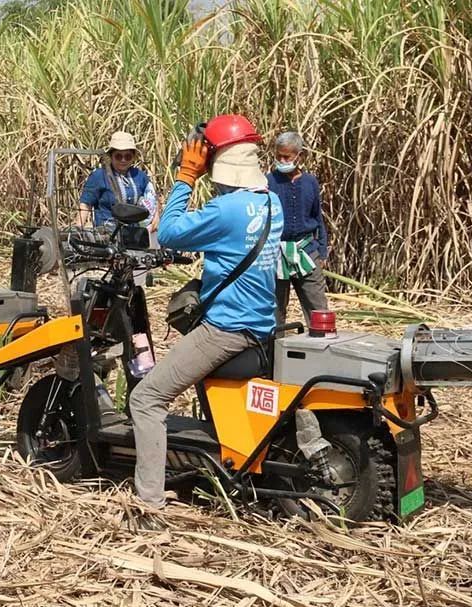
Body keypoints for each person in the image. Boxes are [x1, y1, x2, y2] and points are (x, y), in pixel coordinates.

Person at [127, 115, 283, 519]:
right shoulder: (272, 202)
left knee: (146, 398)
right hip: (262, 323)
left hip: (227, 329)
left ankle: (149, 500)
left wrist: (185, 177)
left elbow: (171, 233)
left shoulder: (226, 210)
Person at [266, 131, 330, 325]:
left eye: (287, 157)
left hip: (306, 251)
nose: (282, 160)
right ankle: (274, 351)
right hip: (276, 253)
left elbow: (317, 217)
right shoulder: (268, 182)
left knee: (317, 307)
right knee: (275, 310)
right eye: (278, 156)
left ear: (299, 156)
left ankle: (320, 347)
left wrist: (322, 250)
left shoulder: (310, 182)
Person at [78, 131, 159, 232]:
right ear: (111, 156)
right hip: (106, 233)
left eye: (128, 156)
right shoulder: (99, 176)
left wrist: (156, 218)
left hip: (134, 234)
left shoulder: (139, 176)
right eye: (118, 156)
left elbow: (152, 199)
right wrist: (78, 228)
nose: (123, 160)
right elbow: (86, 203)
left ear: (133, 157)